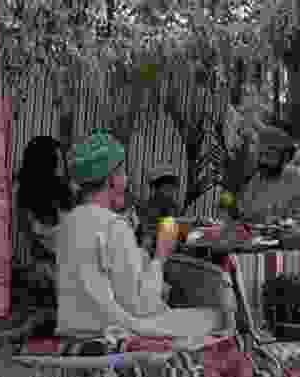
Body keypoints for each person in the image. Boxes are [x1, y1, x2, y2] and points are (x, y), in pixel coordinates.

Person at [55, 129, 227, 339]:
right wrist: (160, 257)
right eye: (123, 174)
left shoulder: (67, 225)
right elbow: (143, 306)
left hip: (73, 328)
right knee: (215, 317)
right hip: (111, 330)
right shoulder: (113, 226)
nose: (126, 181)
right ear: (112, 180)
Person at [12, 135, 76, 335]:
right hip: (51, 265)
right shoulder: (26, 194)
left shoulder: (67, 191)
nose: (62, 163)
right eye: (58, 158)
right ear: (47, 162)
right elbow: (32, 237)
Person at [235, 126, 300, 231]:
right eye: (261, 155)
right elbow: (244, 213)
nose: (263, 160)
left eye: (268, 155)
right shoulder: (256, 181)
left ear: (284, 156)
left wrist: (281, 223)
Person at [138, 164, 182, 250]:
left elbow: (179, 231)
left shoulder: (174, 207)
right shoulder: (146, 207)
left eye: (172, 186)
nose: (171, 190)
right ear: (155, 188)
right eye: (166, 186)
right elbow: (145, 233)